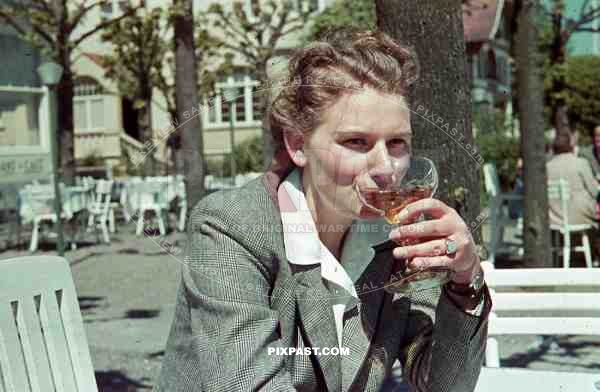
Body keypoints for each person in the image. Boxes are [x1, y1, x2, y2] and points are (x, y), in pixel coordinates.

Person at [155, 30, 491, 392]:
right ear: (299, 145)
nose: (386, 167)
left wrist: (465, 280)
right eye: (356, 142)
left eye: (397, 143)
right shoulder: (231, 226)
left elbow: (442, 385)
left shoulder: (400, 236)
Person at [546, 131, 597, 228]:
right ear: (571, 146)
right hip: (580, 216)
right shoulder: (581, 163)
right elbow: (594, 191)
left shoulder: (547, 167)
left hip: (555, 218)